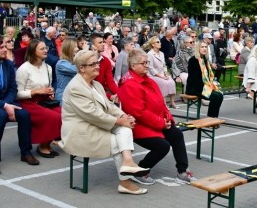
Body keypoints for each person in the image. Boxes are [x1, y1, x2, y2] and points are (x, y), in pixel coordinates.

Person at [59, 50, 149, 195]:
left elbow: (109, 106)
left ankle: (127, 162)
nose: (97, 66)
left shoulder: (96, 84)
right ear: (81, 68)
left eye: (97, 63)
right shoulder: (76, 87)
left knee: (125, 130)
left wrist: (124, 116)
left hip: (96, 125)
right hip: (81, 132)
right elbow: (92, 115)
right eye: (93, 64)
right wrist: (120, 121)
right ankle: (125, 182)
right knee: (117, 142)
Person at [118, 49, 197, 185]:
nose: (147, 65)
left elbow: (160, 102)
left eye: (147, 62)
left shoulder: (148, 80)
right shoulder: (129, 84)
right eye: (143, 63)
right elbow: (139, 113)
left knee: (176, 134)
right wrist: (161, 123)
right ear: (133, 65)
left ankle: (182, 171)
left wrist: (167, 118)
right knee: (162, 146)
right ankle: (140, 170)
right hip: (138, 126)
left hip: (156, 122)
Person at [16, 39, 62, 158]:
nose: (46, 50)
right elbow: (17, 93)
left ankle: (46, 144)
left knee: (62, 113)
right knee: (53, 116)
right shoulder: (24, 69)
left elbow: (48, 85)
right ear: (33, 51)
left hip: (43, 101)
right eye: (42, 49)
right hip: (28, 102)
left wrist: (50, 92)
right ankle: (42, 146)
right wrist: (35, 91)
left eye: (45, 48)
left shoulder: (48, 68)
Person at [0, 36, 39, 166]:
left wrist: (8, 103)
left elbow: (13, 88)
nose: (5, 50)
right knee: (1, 115)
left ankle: (26, 153)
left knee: (24, 114)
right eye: (1, 47)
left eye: (5, 46)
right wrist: (5, 105)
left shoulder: (8, 64)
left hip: (7, 101)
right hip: (2, 104)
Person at [186, 41, 224, 118]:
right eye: (202, 47)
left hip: (204, 86)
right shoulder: (193, 60)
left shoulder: (205, 59)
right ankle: (211, 118)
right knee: (215, 96)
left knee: (220, 95)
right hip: (195, 87)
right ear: (198, 48)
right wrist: (207, 87)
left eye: (205, 47)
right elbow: (194, 78)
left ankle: (214, 117)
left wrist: (211, 85)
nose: (204, 49)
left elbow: (209, 75)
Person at [145, 36, 177, 109]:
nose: (160, 43)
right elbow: (150, 68)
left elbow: (164, 65)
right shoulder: (149, 54)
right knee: (164, 83)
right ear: (153, 44)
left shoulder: (162, 53)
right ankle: (164, 104)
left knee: (171, 82)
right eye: (157, 42)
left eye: (159, 42)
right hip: (153, 75)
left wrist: (166, 72)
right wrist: (161, 76)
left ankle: (172, 102)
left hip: (162, 73)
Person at [55, 38, 78, 104]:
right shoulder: (61, 64)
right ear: (68, 49)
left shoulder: (73, 62)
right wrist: (84, 52)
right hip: (64, 97)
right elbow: (78, 69)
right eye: (75, 47)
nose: (77, 49)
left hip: (73, 95)